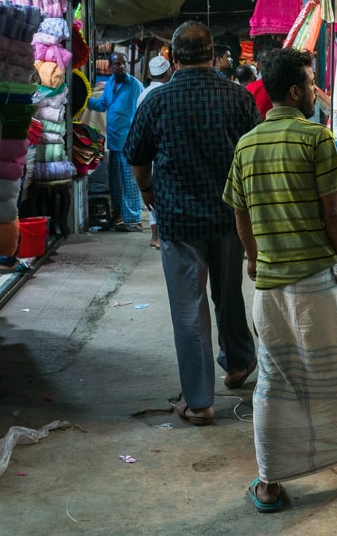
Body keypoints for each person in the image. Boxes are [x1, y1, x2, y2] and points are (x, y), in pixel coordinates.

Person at [223, 47, 337, 512]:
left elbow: (240, 214)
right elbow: (332, 212)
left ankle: (269, 484)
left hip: (269, 289)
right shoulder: (316, 139)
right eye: (310, 83)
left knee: (274, 379)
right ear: (294, 90)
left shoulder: (247, 144)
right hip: (312, 284)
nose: (315, 91)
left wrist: (253, 258)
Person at [124, 22, 261, 427]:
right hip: (229, 215)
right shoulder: (238, 98)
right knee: (229, 293)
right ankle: (238, 363)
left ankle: (200, 402)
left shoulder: (157, 101)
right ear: (213, 52)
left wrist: (148, 190)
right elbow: (254, 151)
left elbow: (136, 156)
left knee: (189, 308)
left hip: (180, 219)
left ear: (174, 58)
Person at [90, 52, 143, 232]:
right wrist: (83, 99)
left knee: (129, 182)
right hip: (113, 142)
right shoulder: (110, 83)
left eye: (124, 63)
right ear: (111, 67)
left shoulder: (134, 85)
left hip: (128, 142)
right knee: (116, 183)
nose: (121, 66)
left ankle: (133, 219)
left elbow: (139, 114)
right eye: (117, 64)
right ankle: (119, 214)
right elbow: (102, 105)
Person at [138, 52, 172, 249]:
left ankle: (155, 236)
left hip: (146, 150)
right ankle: (160, 236)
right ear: (168, 71)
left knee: (149, 192)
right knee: (161, 191)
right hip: (162, 150)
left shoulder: (143, 93)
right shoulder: (167, 94)